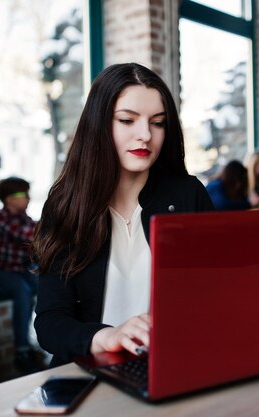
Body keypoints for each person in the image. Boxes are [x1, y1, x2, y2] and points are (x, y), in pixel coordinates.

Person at [31, 63, 214, 367]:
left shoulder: (188, 195)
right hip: (87, 373)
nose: (145, 135)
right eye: (127, 120)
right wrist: (106, 337)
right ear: (99, 124)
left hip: (169, 365)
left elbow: (215, 297)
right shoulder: (66, 205)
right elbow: (50, 323)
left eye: (158, 123)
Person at [0, 176, 44, 374]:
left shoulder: (24, 217)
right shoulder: (0, 218)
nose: (27, 198)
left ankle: (39, 337)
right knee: (22, 292)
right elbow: (29, 234)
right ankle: (22, 350)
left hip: (19, 269)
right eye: (22, 194)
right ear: (9, 199)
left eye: (27, 194)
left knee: (44, 283)